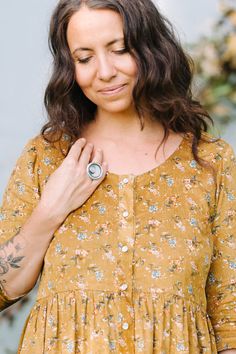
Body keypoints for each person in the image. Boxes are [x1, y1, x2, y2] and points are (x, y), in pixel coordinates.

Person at [0, 0, 235, 353]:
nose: (105, 71)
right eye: (84, 58)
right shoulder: (45, 157)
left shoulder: (210, 162)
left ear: (151, 48)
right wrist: (50, 210)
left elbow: (230, 315)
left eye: (120, 50)